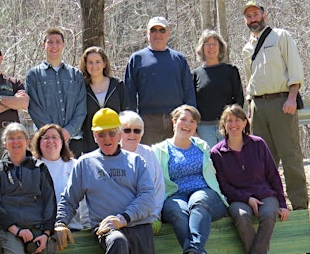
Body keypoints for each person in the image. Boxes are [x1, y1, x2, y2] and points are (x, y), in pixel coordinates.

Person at [55, 108, 155, 254]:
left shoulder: (136, 161)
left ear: (120, 134)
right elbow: (69, 199)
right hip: (107, 230)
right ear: (94, 136)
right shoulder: (85, 164)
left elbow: (147, 197)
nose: (107, 138)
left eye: (112, 133)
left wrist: (123, 219)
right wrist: (60, 223)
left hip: (137, 226)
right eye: (101, 134)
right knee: (117, 241)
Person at [241, 0, 308, 210]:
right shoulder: (247, 48)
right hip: (258, 106)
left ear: (264, 15)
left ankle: (299, 206)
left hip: (282, 102)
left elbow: (294, 67)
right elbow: (249, 80)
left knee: (290, 155)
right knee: (263, 159)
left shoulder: (280, 36)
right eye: (249, 16)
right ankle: (273, 204)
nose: (253, 19)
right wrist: (249, 108)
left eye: (256, 14)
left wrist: (292, 96)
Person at [210, 104, 289, 253]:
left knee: (268, 215)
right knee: (242, 216)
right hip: (237, 199)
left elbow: (273, 174)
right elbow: (223, 186)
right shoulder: (216, 153)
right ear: (224, 124)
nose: (234, 124)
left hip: (265, 194)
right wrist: (247, 198)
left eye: (238, 120)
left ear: (245, 122)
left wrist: (283, 203)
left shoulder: (258, 143)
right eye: (229, 120)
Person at [152, 105, 228, 254]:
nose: (187, 124)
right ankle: (195, 250)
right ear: (174, 122)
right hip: (175, 196)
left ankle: (193, 249)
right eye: (183, 119)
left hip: (205, 195)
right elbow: (153, 182)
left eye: (192, 121)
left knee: (197, 200)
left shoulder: (202, 146)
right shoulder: (158, 150)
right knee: (177, 210)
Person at [0, 123, 56, 254]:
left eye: (19, 137)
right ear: (4, 143)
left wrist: (46, 234)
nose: (15, 141)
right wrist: (16, 230)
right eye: (11, 138)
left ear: (27, 141)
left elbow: (50, 202)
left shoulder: (39, 168)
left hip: (37, 227)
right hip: (8, 229)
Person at [124, 16, 196, 145]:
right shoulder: (137, 58)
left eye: (162, 30)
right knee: (150, 161)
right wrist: (131, 120)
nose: (157, 34)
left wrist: (190, 120)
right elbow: (129, 93)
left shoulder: (179, 59)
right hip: (147, 120)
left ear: (168, 33)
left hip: (176, 119)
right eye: (153, 30)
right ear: (147, 33)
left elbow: (189, 91)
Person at [26, 27, 87, 157]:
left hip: (73, 139)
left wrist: (68, 131)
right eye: (50, 42)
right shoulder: (33, 75)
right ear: (43, 45)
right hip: (46, 141)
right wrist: (53, 134)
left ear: (63, 45)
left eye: (58, 42)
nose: (54, 46)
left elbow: (81, 109)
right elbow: (34, 108)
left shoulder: (76, 75)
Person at [31, 124, 90, 230]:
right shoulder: (30, 167)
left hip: (72, 228)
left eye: (55, 137)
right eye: (46, 138)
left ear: (63, 142)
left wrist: (87, 226)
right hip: (40, 230)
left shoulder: (76, 165)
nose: (50, 141)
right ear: (38, 142)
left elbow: (85, 201)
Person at [192, 29, 244, 147]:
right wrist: (194, 128)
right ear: (202, 48)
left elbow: (239, 99)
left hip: (227, 126)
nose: (211, 47)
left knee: (228, 162)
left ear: (220, 47)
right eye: (207, 44)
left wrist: (235, 123)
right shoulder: (195, 74)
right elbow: (192, 103)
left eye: (214, 44)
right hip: (204, 128)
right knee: (209, 163)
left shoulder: (230, 71)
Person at [118, 110, 165, 233]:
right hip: (120, 219)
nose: (132, 134)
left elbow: (158, 186)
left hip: (146, 218)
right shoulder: (111, 154)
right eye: (127, 130)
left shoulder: (149, 153)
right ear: (118, 131)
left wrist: (155, 216)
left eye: (137, 130)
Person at [79, 46, 129, 154]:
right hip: (90, 144)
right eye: (90, 62)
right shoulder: (82, 88)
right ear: (85, 65)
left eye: (98, 62)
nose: (94, 66)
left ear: (104, 63)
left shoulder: (117, 85)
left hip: (115, 143)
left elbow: (126, 113)